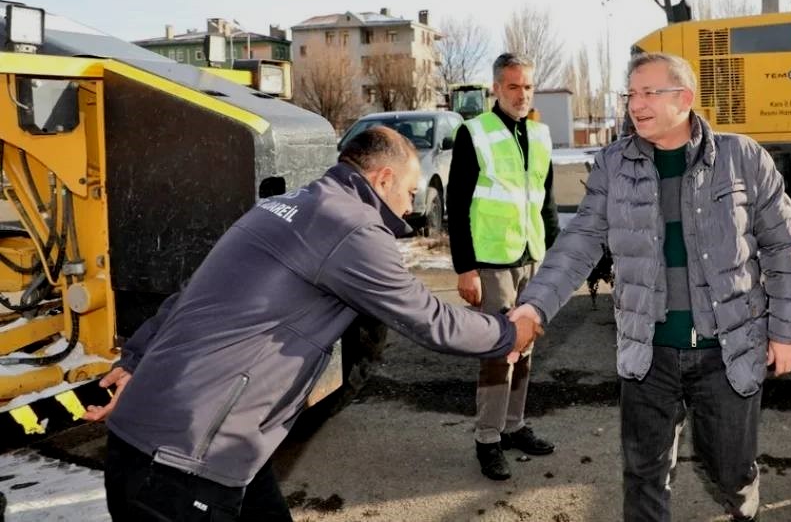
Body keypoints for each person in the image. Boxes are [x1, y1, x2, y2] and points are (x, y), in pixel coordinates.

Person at [84, 126, 540, 521]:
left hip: (195, 447)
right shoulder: (353, 227)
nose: (411, 206)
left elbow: (191, 295)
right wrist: (508, 332)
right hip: (184, 465)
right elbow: (430, 320)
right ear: (383, 179)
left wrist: (136, 359)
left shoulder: (285, 205)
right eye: (410, 191)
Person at [511, 52, 791, 522]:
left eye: (650, 92)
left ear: (685, 99)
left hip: (726, 348)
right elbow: (581, 241)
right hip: (647, 352)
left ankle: (743, 503)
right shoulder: (613, 164)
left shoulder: (742, 157)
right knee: (643, 475)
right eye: (631, 93)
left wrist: (788, 331)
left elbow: (784, 246)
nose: (636, 103)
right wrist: (534, 308)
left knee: (729, 469)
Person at [448, 52, 560, 481]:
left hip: (532, 257)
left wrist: (554, 260)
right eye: (513, 86)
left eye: (528, 86)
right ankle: (488, 438)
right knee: (499, 351)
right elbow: (456, 206)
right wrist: (465, 268)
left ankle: (513, 426)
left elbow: (546, 203)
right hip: (492, 261)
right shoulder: (473, 133)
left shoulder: (541, 133)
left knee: (526, 345)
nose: (522, 93)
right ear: (496, 89)